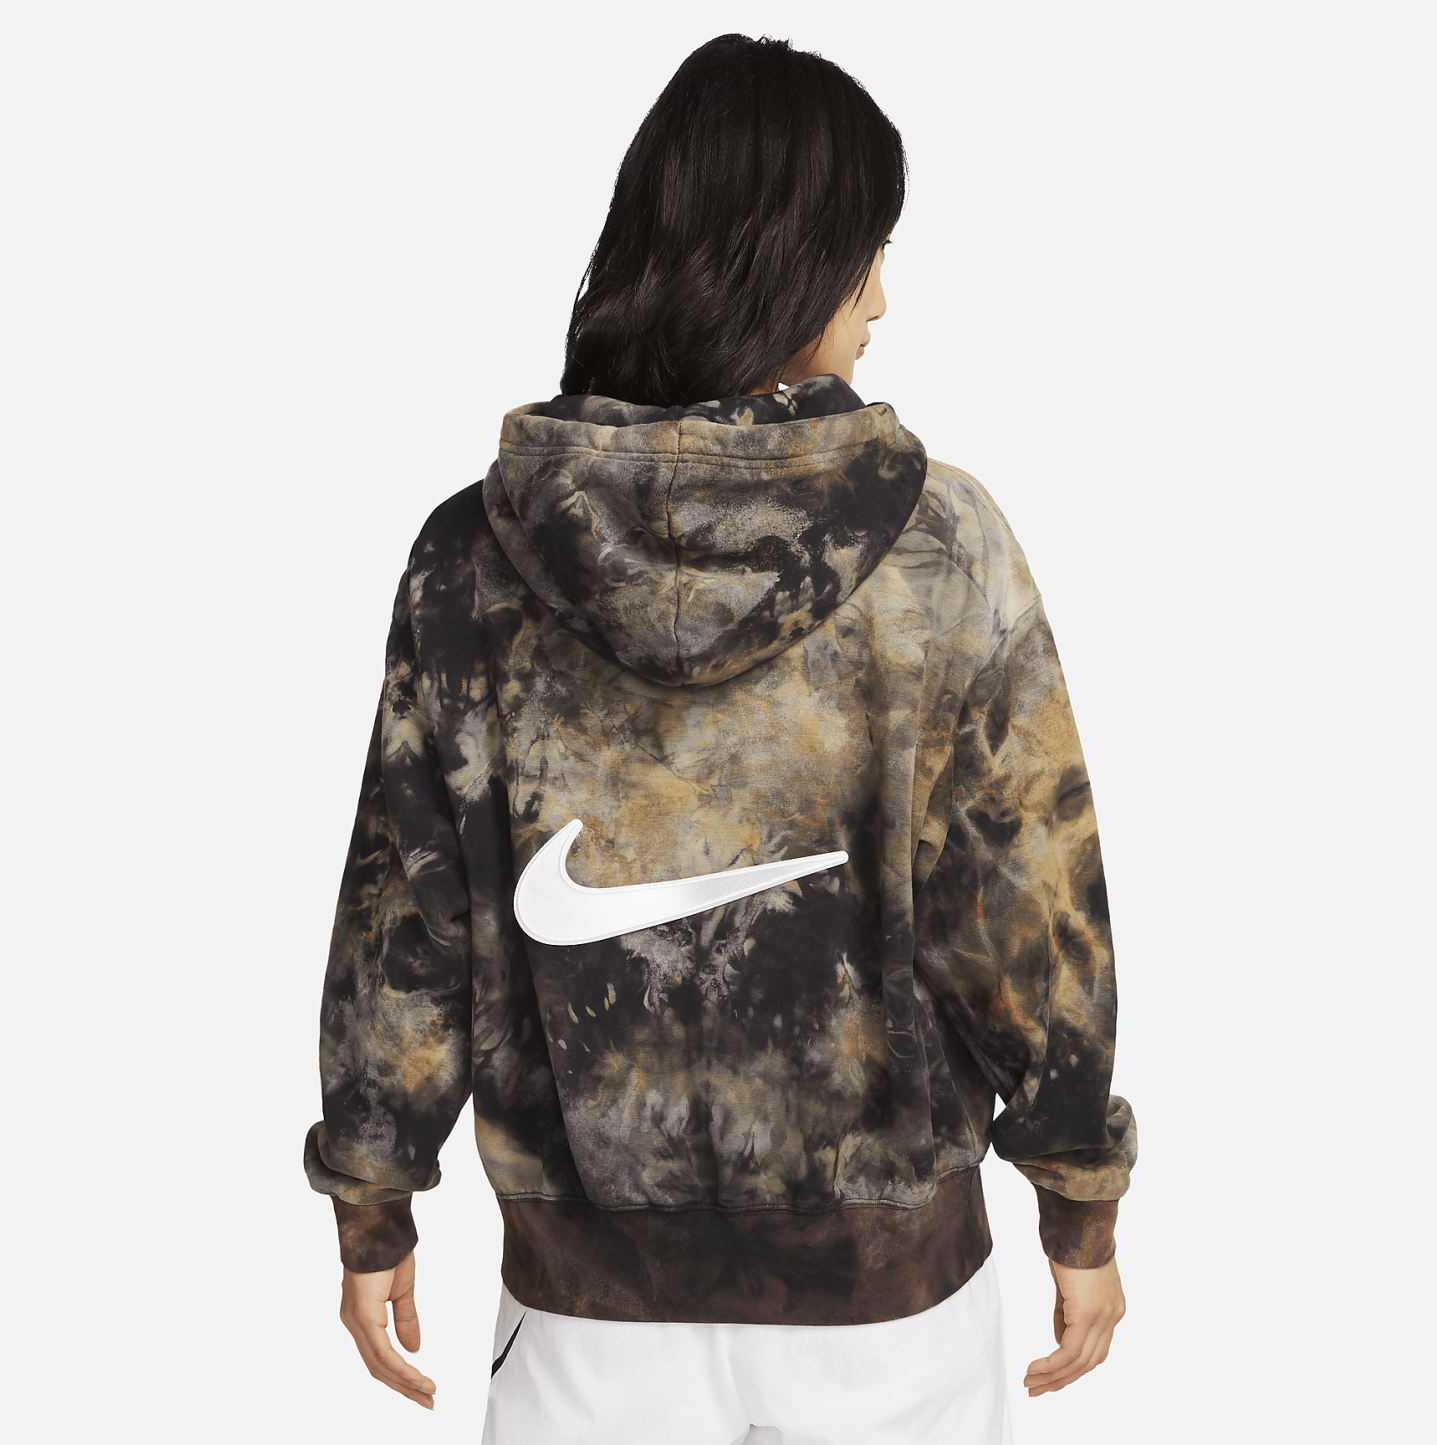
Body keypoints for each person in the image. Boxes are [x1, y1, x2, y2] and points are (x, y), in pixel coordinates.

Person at [304, 32, 1136, 1445]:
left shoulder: (474, 557)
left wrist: (374, 1192)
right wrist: (1080, 1200)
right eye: (867, 254)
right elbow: (1030, 912)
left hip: (589, 1314)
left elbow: (406, 915)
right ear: (791, 266)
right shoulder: (941, 545)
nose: (884, 298)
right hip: (887, 1306)